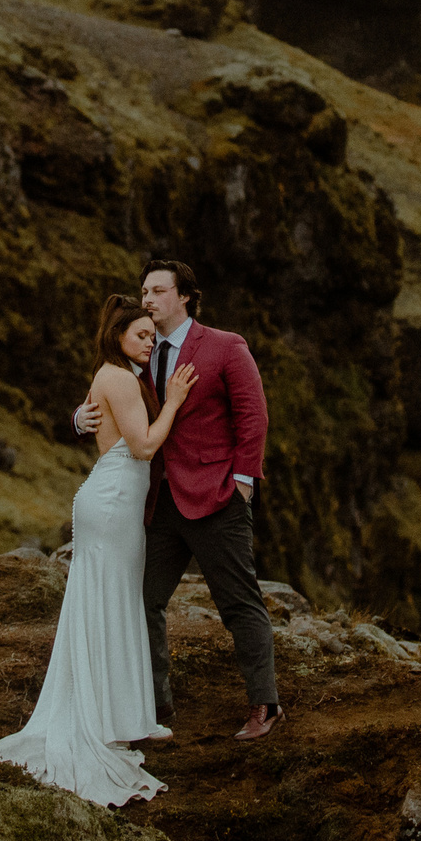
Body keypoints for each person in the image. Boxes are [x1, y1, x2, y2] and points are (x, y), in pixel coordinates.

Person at [0, 294, 195, 805]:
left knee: (111, 602)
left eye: (152, 335)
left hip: (114, 498)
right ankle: (104, 719)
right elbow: (143, 446)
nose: (149, 343)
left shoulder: (113, 375)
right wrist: (173, 402)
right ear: (118, 334)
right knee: (110, 602)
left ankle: (117, 715)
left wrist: (82, 418)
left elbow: (101, 426)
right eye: (141, 335)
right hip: (115, 499)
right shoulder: (120, 377)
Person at [81, 257, 282, 740]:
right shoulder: (139, 352)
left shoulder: (225, 346)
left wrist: (242, 483)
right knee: (142, 601)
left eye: (157, 291)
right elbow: (110, 391)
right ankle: (156, 704)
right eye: (144, 291)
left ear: (184, 296)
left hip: (218, 499)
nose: (147, 299)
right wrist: (78, 418)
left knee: (238, 603)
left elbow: (253, 418)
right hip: (158, 502)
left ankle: (265, 705)